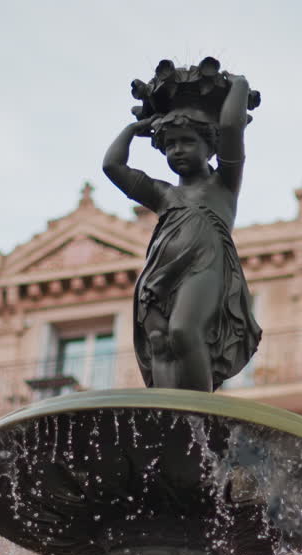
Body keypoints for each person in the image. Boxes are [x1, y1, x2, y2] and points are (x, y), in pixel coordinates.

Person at [102, 70, 262, 392]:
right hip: (158, 272)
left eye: (187, 142)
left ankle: (198, 414)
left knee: (184, 331)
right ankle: (167, 413)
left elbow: (231, 126)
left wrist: (239, 85)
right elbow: (112, 167)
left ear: (210, 145)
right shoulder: (163, 194)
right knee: (159, 341)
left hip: (204, 262)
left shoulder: (224, 184)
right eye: (171, 144)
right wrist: (133, 130)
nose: (177, 150)